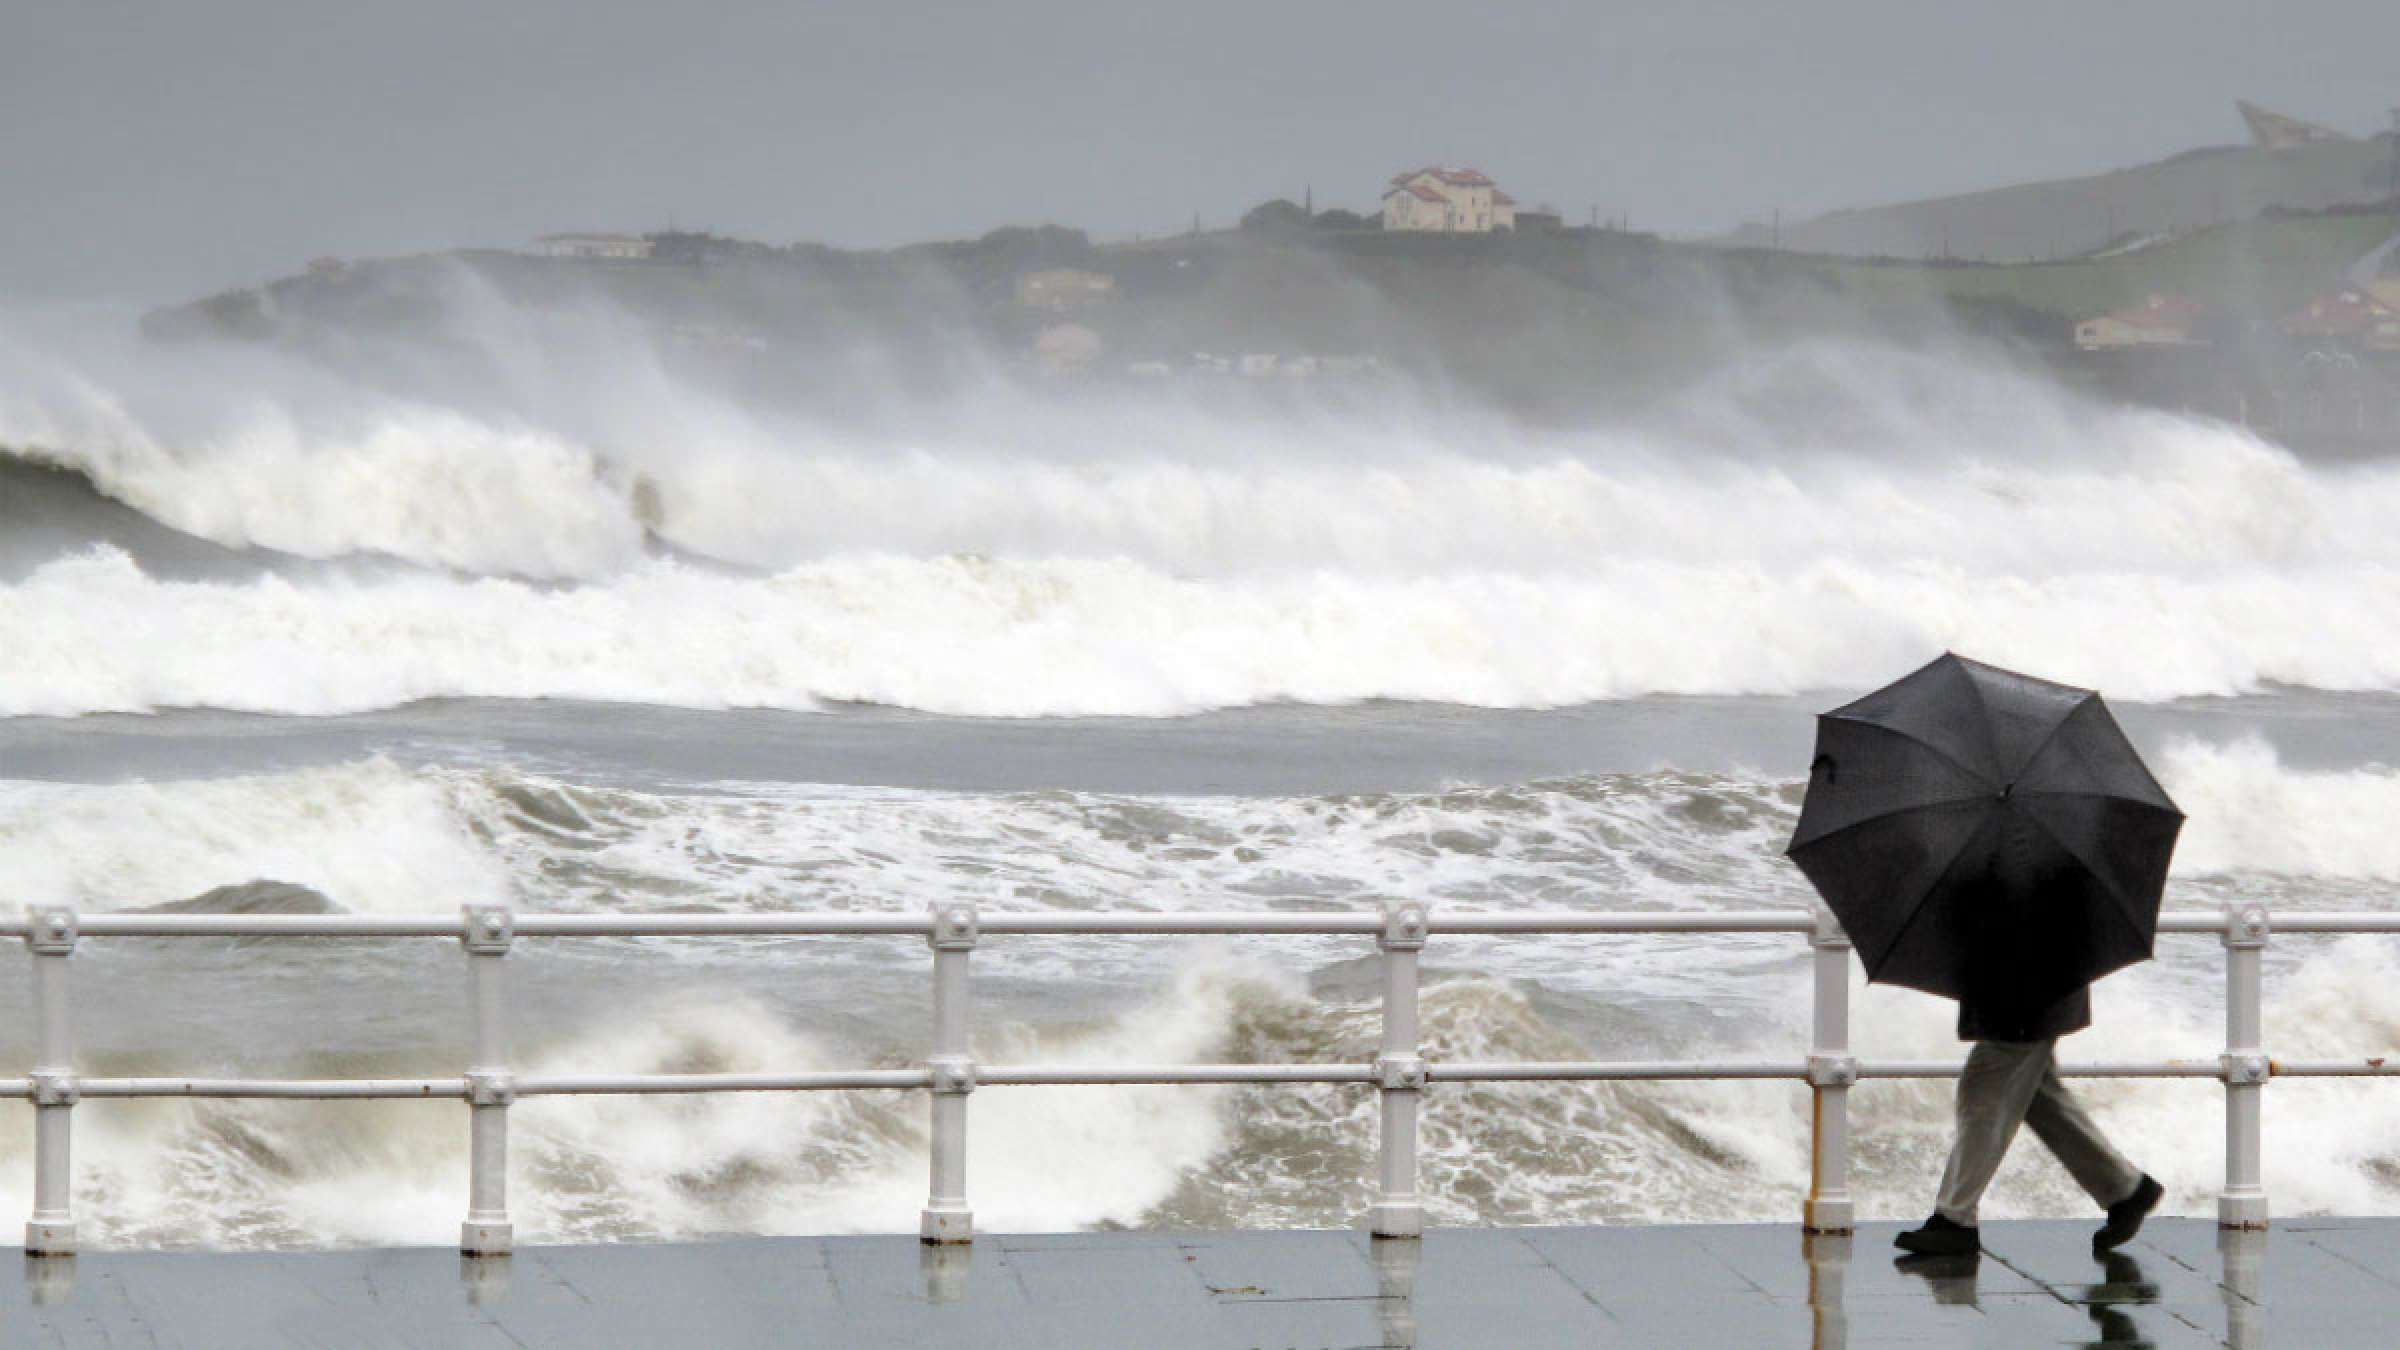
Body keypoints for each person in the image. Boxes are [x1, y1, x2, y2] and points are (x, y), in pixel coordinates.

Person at [1894, 975, 2163, 1258]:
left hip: (2027, 988)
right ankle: (2125, 1189)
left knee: (1984, 1089)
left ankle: (1954, 1220)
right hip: (2030, 986)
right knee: (2037, 1097)